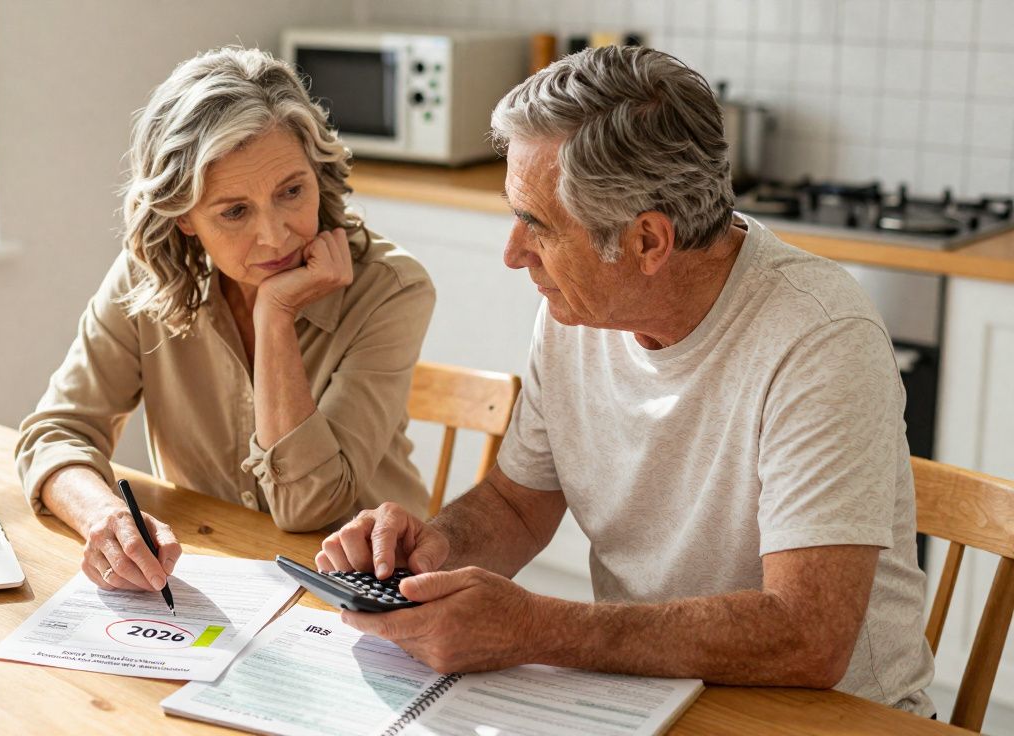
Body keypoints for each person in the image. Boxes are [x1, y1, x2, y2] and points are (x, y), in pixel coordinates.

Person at [317, 46, 935, 716]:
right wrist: (436, 547)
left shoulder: (819, 339)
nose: (512, 252)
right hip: (648, 697)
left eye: (537, 226)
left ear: (647, 242)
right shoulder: (573, 311)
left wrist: (534, 628)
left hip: (830, 719)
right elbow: (518, 504)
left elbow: (808, 636)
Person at [17, 47, 434, 596]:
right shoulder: (146, 277)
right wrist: (102, 517)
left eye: (292, 191)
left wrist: (276, 315)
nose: (276, 235)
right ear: (183, 217)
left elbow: (309, 508)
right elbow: (54, 433)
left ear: (318, 172)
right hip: (219, 580)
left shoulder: (389, 288)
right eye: (235, 211)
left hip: (364, 591)